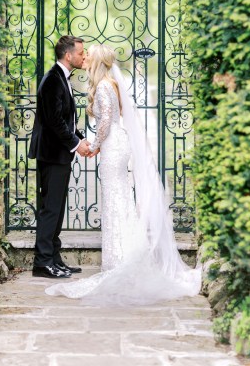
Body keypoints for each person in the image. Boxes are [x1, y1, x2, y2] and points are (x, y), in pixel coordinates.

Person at [46, 44, 201, 304]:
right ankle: (120, 256)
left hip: (112, 147)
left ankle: (120, 259)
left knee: (115, 199)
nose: (84, 59)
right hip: (114, 145)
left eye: (88, 57)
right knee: (116, 199)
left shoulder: (105, 86)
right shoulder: (108, 84)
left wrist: (93, 146)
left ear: (97, 62)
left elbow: (105, 122)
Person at [29, 35, 91, 279]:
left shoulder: (61, 78)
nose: (83, 56)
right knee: (50, 209)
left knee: (57, 208)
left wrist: (79, 138)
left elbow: (65, 119)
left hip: (60, 154)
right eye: (80, 53)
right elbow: (54, 121)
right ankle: (42, 262)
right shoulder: (53, 79)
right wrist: (77, 144)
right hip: (52, 154)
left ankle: (53, 257)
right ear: (68, 55)